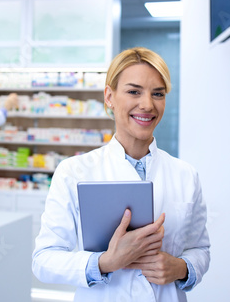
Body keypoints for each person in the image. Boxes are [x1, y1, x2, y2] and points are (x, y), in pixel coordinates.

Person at [32, 47, 210, 301]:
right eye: (134, 91)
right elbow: (43, 260)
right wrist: (104, 262)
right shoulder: (74, 172)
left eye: (157, 94)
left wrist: (181, 268)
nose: (147, 104)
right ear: (109, 97)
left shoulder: (185, 175)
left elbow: (200, 249)